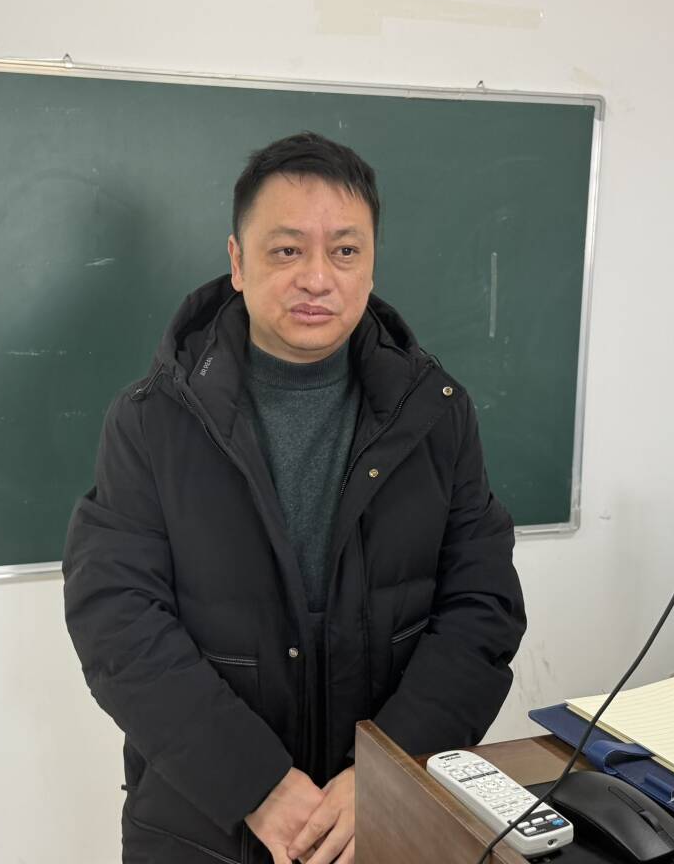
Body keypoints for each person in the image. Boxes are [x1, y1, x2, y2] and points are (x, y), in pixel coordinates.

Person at [63, 131, 526, 864]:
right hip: (206, 825)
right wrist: (257, 785)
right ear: (238, 262)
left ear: (371, 264)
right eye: (286, 250)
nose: (317, 278)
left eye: (345, 251)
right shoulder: (153, 419)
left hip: (385, 820)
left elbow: (483, 606)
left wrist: (385, 772)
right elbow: (116, 622)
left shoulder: (436, 414)